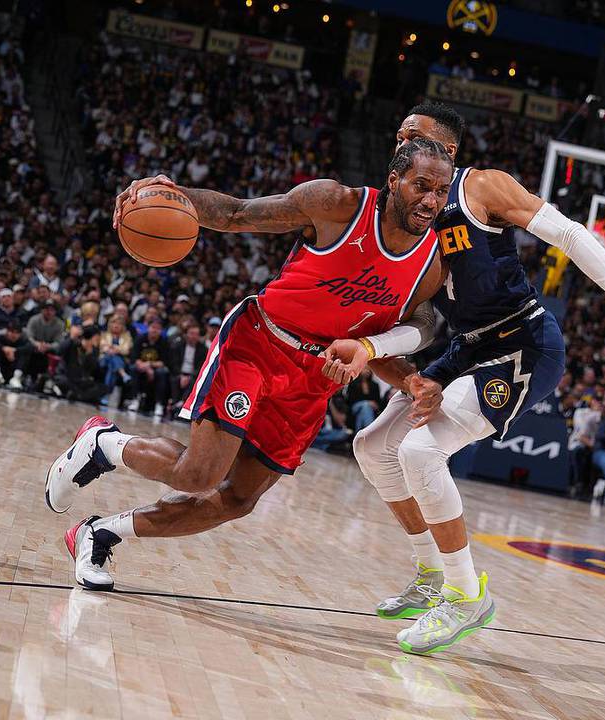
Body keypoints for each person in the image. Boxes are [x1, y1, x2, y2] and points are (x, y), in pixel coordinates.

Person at [44, 138, 452, 597]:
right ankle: (103, 444)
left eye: (441, 191)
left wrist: (411, 380)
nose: (431, 200)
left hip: (313, 380)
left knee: (238, 499)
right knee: (199, 475)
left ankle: (100, 533)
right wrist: (167, 193)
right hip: (259, 343)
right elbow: (237, 214)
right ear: (394, 180)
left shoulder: (430, 262)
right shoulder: (336, 205)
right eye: (421, 186)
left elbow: (382, 344)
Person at [321, 100, 605, 655]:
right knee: (372, 446)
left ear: (445, 150)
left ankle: (466, 595)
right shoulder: (407, 213)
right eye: (399, 135)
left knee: (421, 451)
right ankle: (431, 576)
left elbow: (569, 235)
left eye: (412, 135)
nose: (400, 142)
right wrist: (374, 347)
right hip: (466, 345)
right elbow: (422, 323)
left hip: (523, 343)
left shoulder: (481, 187)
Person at [127, 316, 170, 417]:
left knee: (162, 372)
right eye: (153, 327)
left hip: (156, 368)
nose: (155, 330)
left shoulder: (164, 342)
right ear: (148, 328)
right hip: (142, 367)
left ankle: (159, 404)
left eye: (158, 328)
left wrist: (149, 365)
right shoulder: (140, 338)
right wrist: (146, 368)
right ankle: (135, 399)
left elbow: (164, 362)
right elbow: (134, 358)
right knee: (134, 369)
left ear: (161, 330)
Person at [54, 325, 107, 404]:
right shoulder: (73, 343)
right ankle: (82, 396)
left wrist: (90, 355)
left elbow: (93, 369)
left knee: (103, 388)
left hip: (80, 381)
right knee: (64, 382)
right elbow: (58, 350)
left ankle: (78, 396)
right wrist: (71, 338)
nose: (97, 342)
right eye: (96, 339)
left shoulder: (94, 350)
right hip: (66, 377)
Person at [169, 322, 207, 412]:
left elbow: (201, 367)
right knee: (174, 379)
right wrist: (181, 375)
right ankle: (174, 403)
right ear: (186, 334)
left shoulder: (203, 349)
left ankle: (183, 404)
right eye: (192, 334)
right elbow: (173, 363)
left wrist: (189, 377)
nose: (194, 337)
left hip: (193, 375)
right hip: (179, 373)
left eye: (196, 334)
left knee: (194, 382)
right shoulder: (177, 346)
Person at [25, 298, 65, 382]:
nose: (49, 312)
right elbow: (28, 336)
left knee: (58, 352)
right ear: (41, 310)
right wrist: (37, 344)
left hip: (49, 349)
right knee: (27, 347)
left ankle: (50, 379)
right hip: (35, 347)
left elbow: (59, 342)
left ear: (55, 311)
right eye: (46, 309)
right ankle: (26, 376)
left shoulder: (60, 324)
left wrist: (47, 346)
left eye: (52, 310)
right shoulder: (34, 319)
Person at [0, 319, 32, 389]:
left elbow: (30, 347)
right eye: (11, 332)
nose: (13, 335)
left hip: (15, 367)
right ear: (7, 331)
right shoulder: (2, 337)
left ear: (20, 334)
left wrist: (14, 350)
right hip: (2, 365)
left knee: (25, 353)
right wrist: (4, 348)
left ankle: (16, 377)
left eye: (17, 333)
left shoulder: (23, 340)